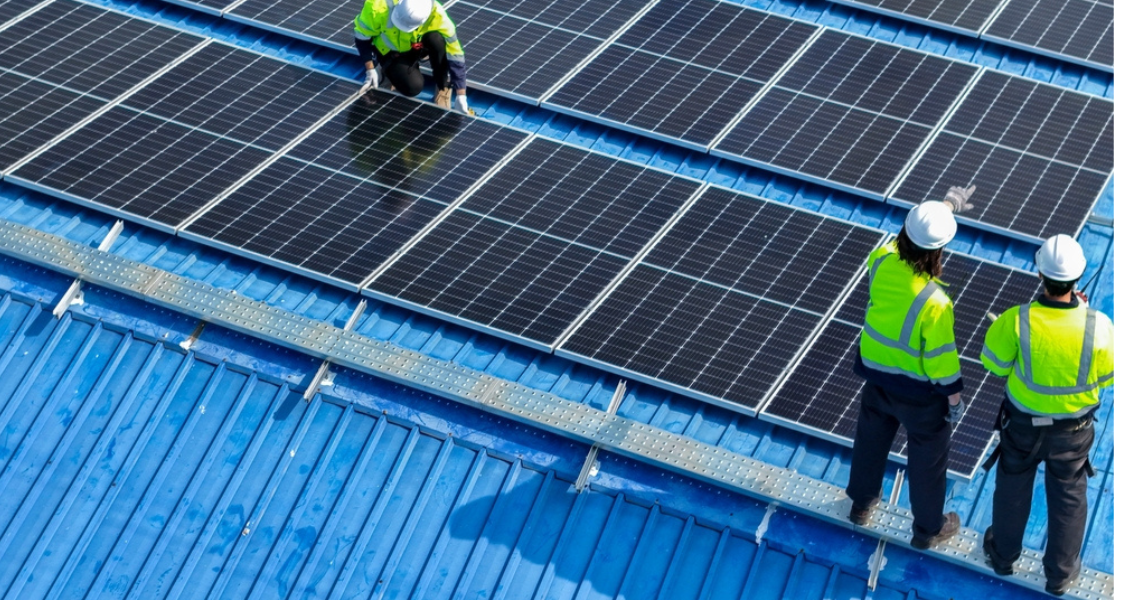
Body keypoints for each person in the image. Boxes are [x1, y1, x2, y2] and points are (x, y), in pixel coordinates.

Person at [979, 234, 1113, 596]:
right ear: (1077, 278)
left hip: (1021, 427)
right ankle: (1060, 575)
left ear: (1041, 275)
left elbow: (994, 364)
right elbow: (1107, 377)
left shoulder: (1017, 320)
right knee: (1068, 497)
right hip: (1073, 433)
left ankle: (1002, 556)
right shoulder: (1098, 325)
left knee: (1012, 488)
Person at [845, 187, 975, 550]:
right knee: (927, 462)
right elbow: (942, 361)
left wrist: (944, 207)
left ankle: (861, 504)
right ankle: (928, 529)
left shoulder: (880, 261)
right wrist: (954, 401)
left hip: (876, 378)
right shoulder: (936, 302)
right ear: (938, 251)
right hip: (920, 395)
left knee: (870, 443)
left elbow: (903, 240)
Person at [354, 0, 472, 115]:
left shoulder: (437, 14)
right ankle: (386, 70)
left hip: (416, 46)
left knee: (437, 40)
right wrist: (370, 68)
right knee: (412, 88)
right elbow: (361, 37)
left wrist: (461, 94)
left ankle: (443, 87)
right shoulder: (376, 6)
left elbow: (455, 52)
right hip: (390, 52)